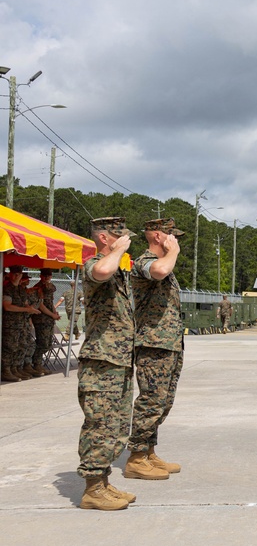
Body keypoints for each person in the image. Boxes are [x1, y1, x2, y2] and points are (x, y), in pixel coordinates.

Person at [76, 216, 137, 510]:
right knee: (100, 424)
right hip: (101, 361)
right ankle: (91, 489)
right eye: (120, 235)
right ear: (104, 237)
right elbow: (101, 270)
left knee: (115, 426)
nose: (126, 240)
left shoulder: (118, 270)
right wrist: (118, 251)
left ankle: (102, 482)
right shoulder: (94, 264)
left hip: (119, 360)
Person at [126, 217, 185, 481]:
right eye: (173, 237)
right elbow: (159, 271)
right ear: (159, 236)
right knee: (151, 400)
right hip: (152, 343)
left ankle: (148, 452)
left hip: (169, 343)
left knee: (164, 401)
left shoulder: (166, 265)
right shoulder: (143, 262)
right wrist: (172, 252)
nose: (176, 242)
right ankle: (136, 458)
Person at [2, 266, 41, 382]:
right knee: (10, 347)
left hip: (22, 323)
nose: (16, 276)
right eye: (14, 273)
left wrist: (31, 309)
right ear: (9, 275)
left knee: (22, 345)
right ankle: (6, 370)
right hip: (11, 324)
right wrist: (26, 310)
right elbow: (7, 306)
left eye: (18, 274)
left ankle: (16, 368)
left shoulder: (21, 290)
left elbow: (25, 304)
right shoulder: (7, 289)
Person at [30, 269, 62, 375]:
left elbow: (50, 302)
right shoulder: (38, 288)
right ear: (40, 276)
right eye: (45, 275)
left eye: (49, 275)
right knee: (42, 343)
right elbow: (41, 305)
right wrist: (52, 315)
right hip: (41, 319)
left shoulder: (50, 287)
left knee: (48, 344)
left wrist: (54, 312)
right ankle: (35, 364)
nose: (47, 277)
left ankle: (37, 363)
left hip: (48, 319)